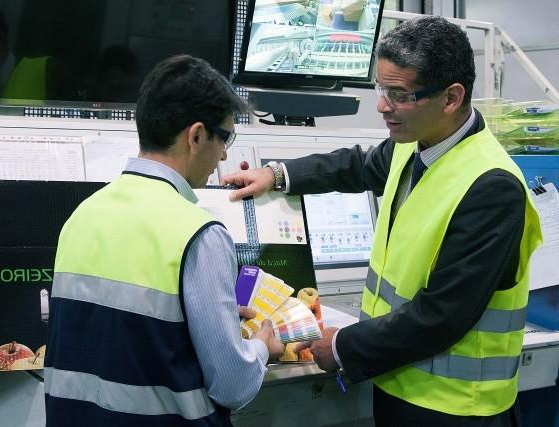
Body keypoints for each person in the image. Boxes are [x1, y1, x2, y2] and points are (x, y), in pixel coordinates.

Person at [221, 15, 542, 427]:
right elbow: (357, 165)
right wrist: (278, 175)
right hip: (398, 385)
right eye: (380, 88)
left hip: (456, 409)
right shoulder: (417, 145)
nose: (382, 105)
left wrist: (342, 347)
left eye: (399, 94)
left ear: (451, 98)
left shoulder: (491, 187)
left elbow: (441, 314)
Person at [44, 55, 284, 426]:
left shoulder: (82, 215)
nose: (223, 155)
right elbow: (233, 385)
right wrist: (260, 349)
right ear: (196, 136)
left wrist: (197, 321)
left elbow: (118, 334)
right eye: (225, 138)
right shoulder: (200, 234)